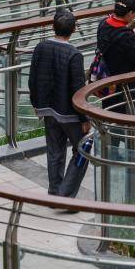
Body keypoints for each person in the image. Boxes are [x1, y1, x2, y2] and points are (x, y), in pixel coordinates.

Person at [28, 10, 90, 201]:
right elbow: (78, 89)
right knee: (84, 148)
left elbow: (32, 79)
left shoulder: (41, 47)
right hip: (70, 113)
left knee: (55, 151)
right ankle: (66, 193)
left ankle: (55, 191)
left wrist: (36, 104)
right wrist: (84, 118)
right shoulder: (74, 54)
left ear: (53, 27)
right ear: (73, 30)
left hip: (48, 110)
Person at [96, 0, 135, 144]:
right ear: (130, 13)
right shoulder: (125, 35)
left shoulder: (104, 23)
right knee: (126, 113)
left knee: (111, 112)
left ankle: (113, 146)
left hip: (108, 79)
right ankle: (130, 144)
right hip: (125, 82)